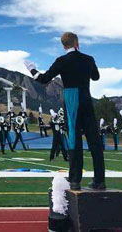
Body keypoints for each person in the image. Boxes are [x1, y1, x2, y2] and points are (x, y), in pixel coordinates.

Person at [25, 32, 105, 190]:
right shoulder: (88, 59)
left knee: (74, 138)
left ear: (63, 45)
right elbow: (96, 77)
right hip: (86, 98)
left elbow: (44, 79)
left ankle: (75, 180)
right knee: (94, 140)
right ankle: (99, 180)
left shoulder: (61, 61)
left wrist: (32, 69)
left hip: (71, 98)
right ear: (77, 42)